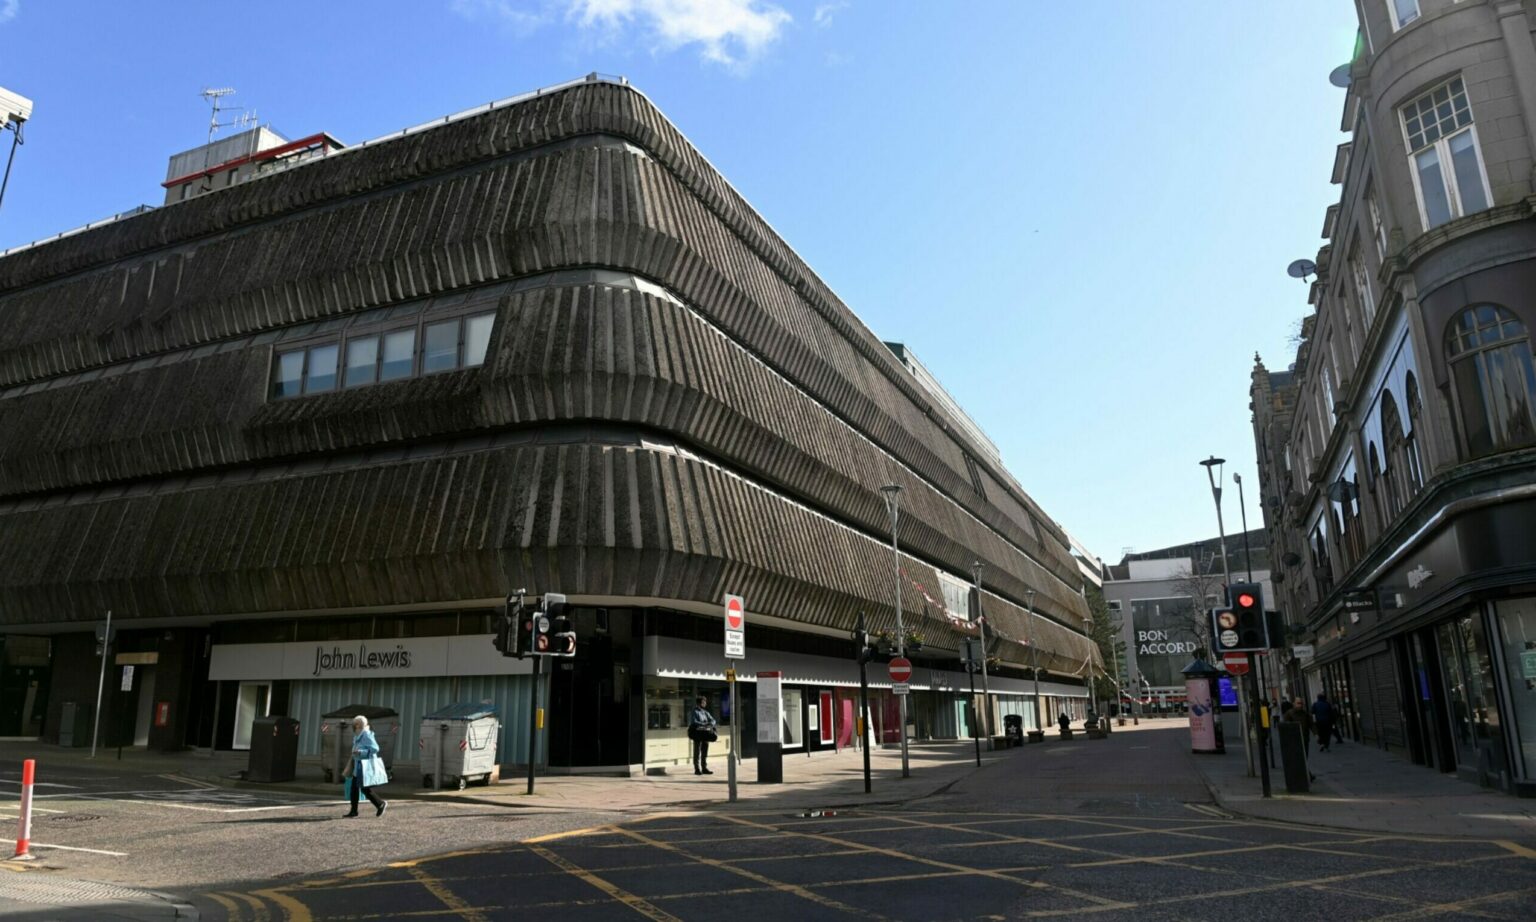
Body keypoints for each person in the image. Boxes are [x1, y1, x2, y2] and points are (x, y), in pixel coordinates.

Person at [344, 715, 388, 818]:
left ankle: (380, 804)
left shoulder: (366, 734)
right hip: (358, 765)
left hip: (364, 766)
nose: (354, 726)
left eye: (356, 724)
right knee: (355, 789)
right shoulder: (358, 734)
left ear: (360, 725)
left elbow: (375, 748)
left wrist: (361, 752)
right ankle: (354, 811)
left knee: (364, 789)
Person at [687, 696, 717, 775]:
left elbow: (713, 720)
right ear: (699, 703)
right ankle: (697, 769)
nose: (705, 703)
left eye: (705, 702)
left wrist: (711, 724)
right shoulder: (695, 712)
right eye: (704, 702)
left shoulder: (705, 712)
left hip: (706, 733)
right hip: (698, 733)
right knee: (697, 752)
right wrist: (705, 724)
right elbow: (694, 722)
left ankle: (704, 768)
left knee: (704, 751)